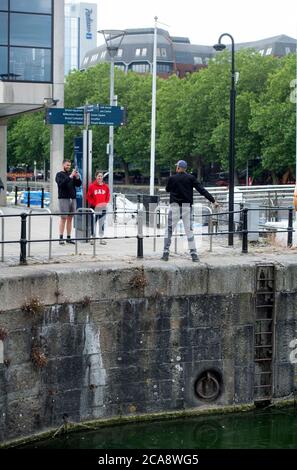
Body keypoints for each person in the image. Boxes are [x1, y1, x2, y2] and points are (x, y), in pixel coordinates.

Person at [161, 160, 219, 262]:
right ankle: (194, 254)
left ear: (178, 168)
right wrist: (213, 200)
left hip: (175, 207)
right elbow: (202, 190)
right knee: (189, 231)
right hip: (187, 207)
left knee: (169, 230)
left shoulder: (172, 178)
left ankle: (165, 253)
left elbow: (167, 189)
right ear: (185, 169)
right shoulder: (191, 178)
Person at [55, 159, 82, 245]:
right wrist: (70, 176)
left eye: (69, 165)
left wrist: (77, 177)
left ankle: (69, 238)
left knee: (70, 218)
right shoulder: (59, 175)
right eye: (67, 165)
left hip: (72, 198)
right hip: (63, 198)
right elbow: (61, 184)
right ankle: (61, 238)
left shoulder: (72, 175)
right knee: (63, 218)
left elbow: (78, 185)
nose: (68, 167)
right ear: (63, 165)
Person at [87, 171, 110, 245]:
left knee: (102, 223)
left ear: (103, 177)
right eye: (98, 176)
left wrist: (105, 203)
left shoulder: (106, 186)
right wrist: (94, 204)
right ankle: (92, 238)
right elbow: (88, 197)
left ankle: (101, 238)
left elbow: (108, 196)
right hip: (94, 207)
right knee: (93, 223)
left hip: (103, 208)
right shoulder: (92, 186)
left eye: (101, 176)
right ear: (96, 177)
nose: (100, 177)